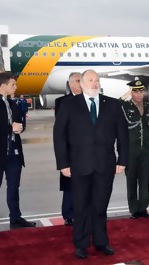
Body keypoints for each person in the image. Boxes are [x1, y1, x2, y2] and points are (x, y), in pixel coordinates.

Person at [53, 69, 129, 259]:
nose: (94, 83)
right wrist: (63, 163)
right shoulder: (69, 105)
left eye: (97, 80)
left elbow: (123, 135)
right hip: (79, 165)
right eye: (90, 80)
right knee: (80, 207)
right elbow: (59, 136)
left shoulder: (112, 104)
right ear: (81, 84)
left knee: (100, 206)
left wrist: (123, 160)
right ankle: (81, 244)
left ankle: (101, 242)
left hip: (105, 165)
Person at [0, 72, 36, 235]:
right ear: (3, 85)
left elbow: (18, 123)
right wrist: (9, 128)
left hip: (14, 153)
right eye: (13, 84)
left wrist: (20, 128)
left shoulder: (13, 103)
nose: (16, 87)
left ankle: (15, 217)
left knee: (14, 187)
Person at [120, 79, 149, 219]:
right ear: (131, 92)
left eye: (141, 91)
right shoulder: (124, 106)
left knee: (144, 180)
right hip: (130, 151)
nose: (139, 94)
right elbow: (114, 107)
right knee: (131, 181)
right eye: (136, 91)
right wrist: (124, 95)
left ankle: (143, 208)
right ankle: (134, 209)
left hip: (146, 150)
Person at [54, 72, 83, 226]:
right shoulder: (62, 102)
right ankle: (69, 214)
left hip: (87, 149)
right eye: (78, 81)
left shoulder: (91, 99)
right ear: (70, 83)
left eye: (81, 81)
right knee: (70, 184)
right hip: (70, 150)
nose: (80, 83)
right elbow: (60, 130)